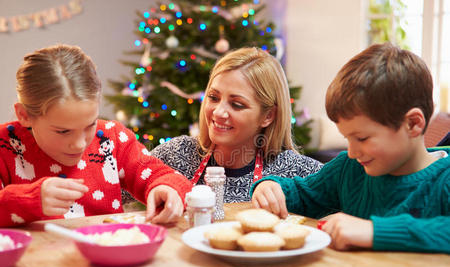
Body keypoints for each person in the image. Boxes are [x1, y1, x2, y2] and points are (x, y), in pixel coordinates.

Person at [251, 43, 450, 253]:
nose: (353, 152)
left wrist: (374, 231)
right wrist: (270, 188)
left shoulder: (444, 180)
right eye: (347, 138)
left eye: (362, 138)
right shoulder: (349, 167)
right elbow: (302, 193)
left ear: (413, 124)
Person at [0, 44, 192, 227]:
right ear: (24, 115)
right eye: (63, 131)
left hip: (107, 258)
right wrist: (27, 200)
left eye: (89, 124)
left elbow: (166, 176)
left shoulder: (111, 138)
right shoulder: (5, 146)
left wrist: (168, 188)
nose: (79, 144)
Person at [149, 47, 322, 203]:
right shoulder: (175, 155)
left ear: (268, 116)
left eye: (237, 104)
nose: (218, 112)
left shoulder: (294, 172)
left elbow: (346, 187)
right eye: (213, 98)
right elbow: (123, 181)